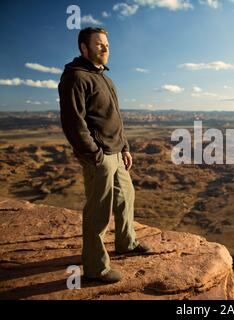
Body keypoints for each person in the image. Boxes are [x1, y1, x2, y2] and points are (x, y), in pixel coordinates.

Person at [58, 27, 150, 283]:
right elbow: (73, 123)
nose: (105, 48)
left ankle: (126, 242)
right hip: (100, 156)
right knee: (99, 211)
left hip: (117, 152)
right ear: (84, 48)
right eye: (99, 44)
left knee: (126, 197)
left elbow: (114, 119)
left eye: (107, 44)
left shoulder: (104, 78)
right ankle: (96, 267)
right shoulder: (75, 78)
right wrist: (95, 155)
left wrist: (125, 147)